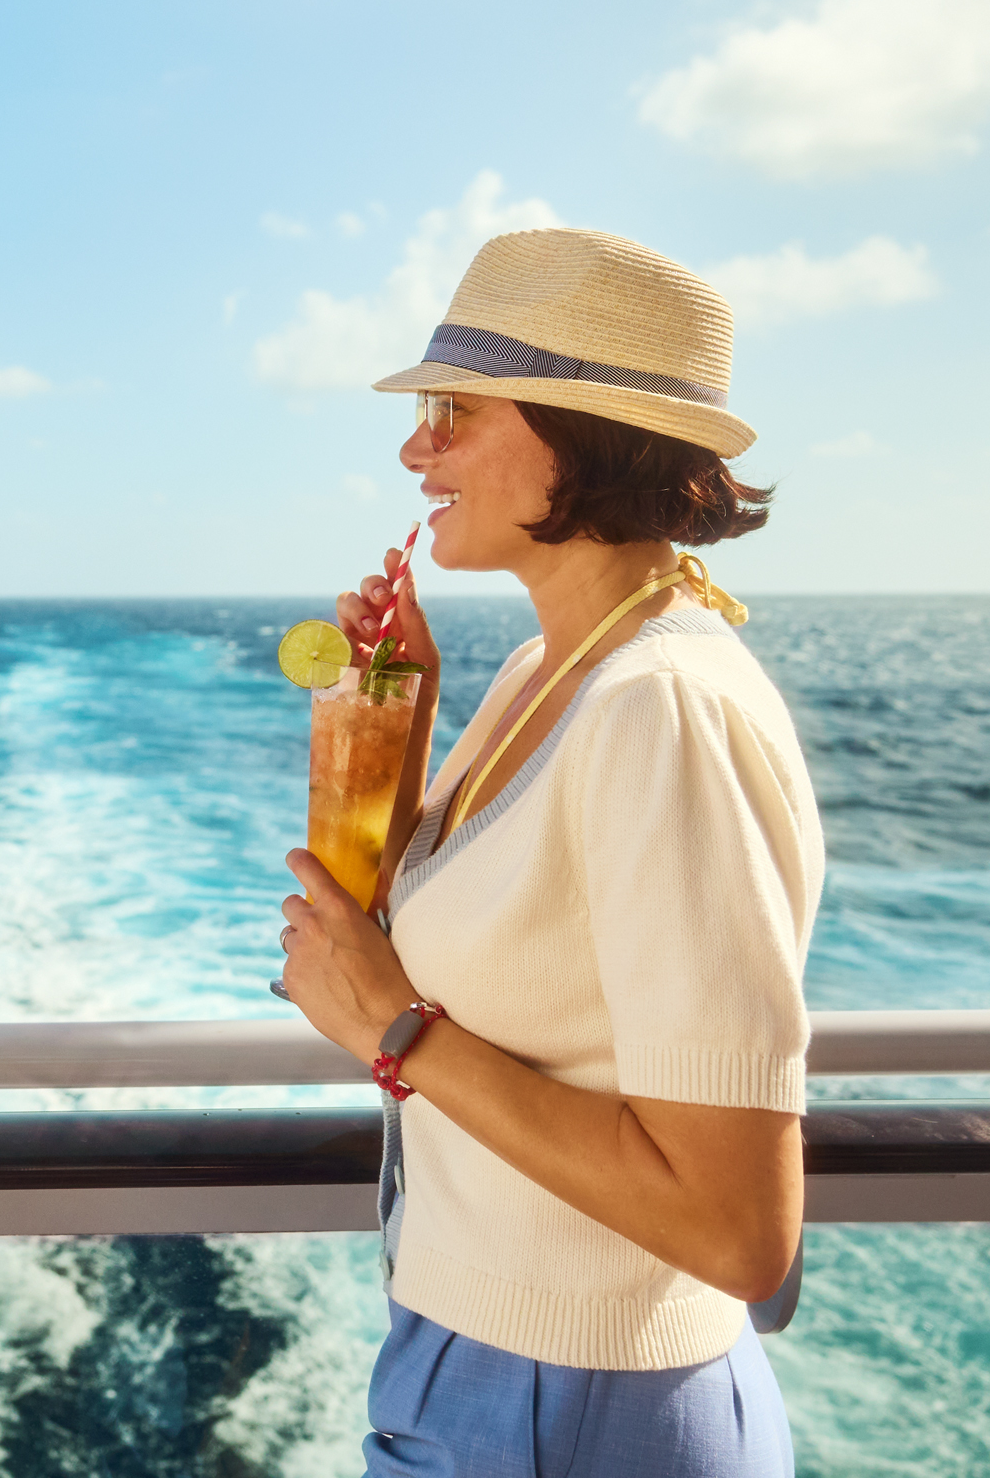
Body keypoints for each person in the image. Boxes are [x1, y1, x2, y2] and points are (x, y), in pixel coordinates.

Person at [275, 226, 823, 1477]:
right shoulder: (549, 672)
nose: (417, 448)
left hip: (578, 1406)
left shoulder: (658, 705)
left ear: (579, 434)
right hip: (476, 1367)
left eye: (454, 412)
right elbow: (436, 928)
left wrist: (396, 1031)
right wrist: (401, 711)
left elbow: (741, 1231)